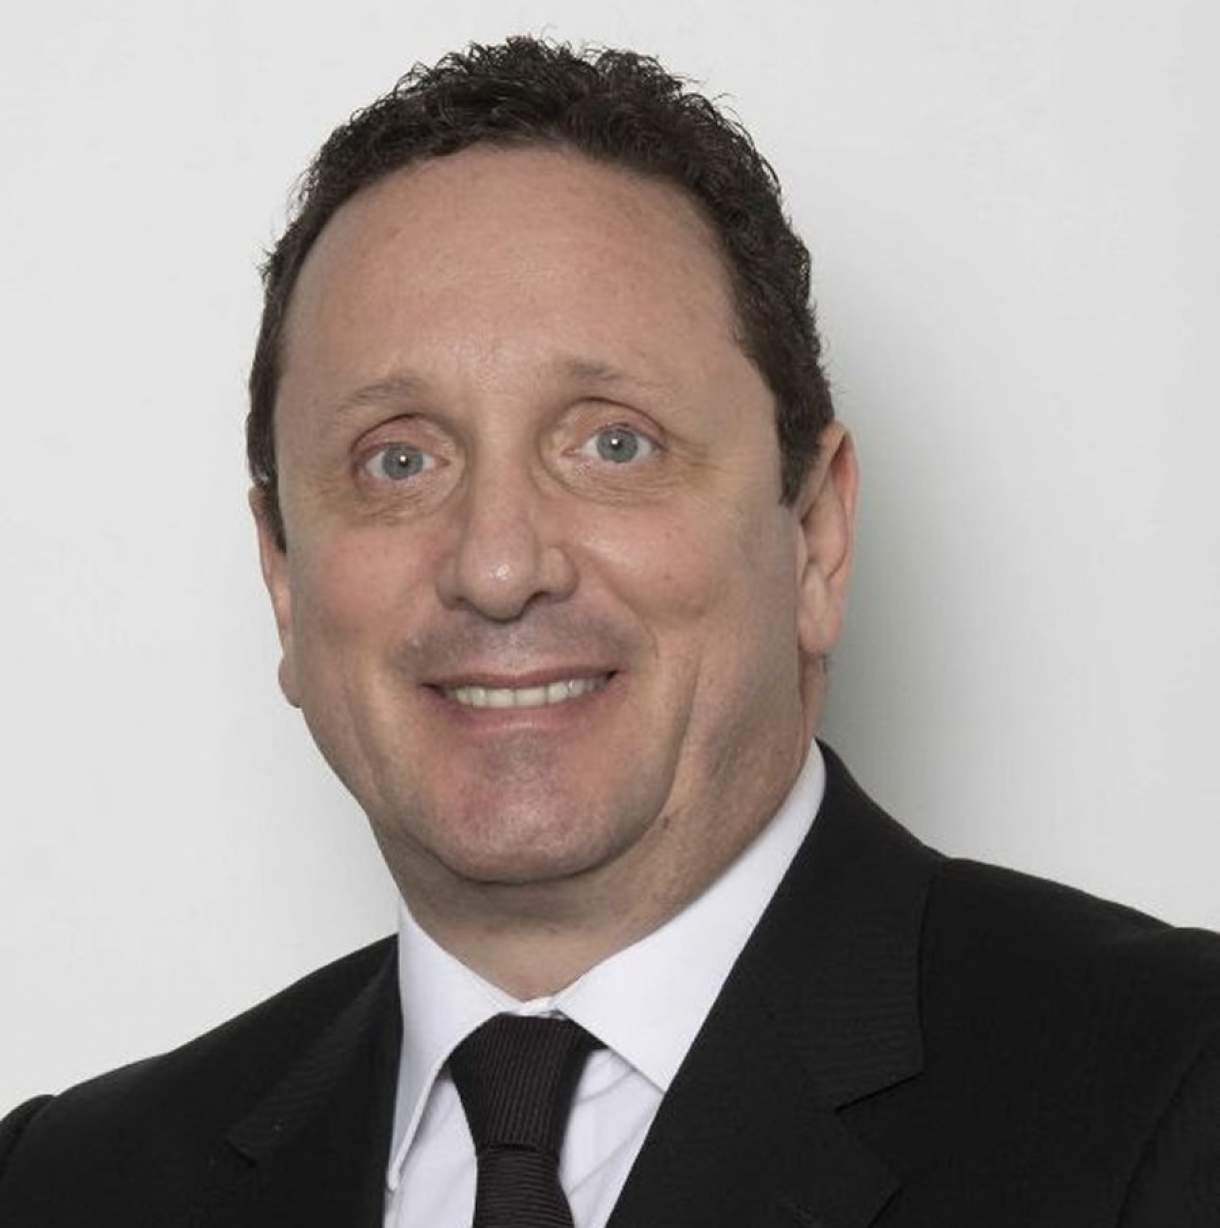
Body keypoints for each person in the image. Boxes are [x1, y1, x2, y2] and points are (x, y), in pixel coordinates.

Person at [1, 35, 1217, 1228]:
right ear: (283, 576)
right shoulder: (68, 1185)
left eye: (612, 443)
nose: (495, 567)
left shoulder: (1175, 1094)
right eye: (397, 460)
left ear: (813, 536)